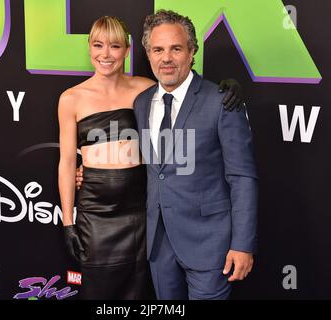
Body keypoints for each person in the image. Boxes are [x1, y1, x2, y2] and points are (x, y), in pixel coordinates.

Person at [60, 15, 244, 299]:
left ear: (128, 50)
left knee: (139, 292)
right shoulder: (72, 98)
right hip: (96, 213)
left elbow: (189, 95)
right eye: (98, 45)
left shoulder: (145, 89)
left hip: (139, 213)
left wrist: (228, 88)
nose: (106, 54)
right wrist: (68, 221)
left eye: (115, 46)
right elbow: (67, 162)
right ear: (88, 47)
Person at [133, 10, 259, 300]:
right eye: (158, 49)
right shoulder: (141, 103)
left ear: (191, 52)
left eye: (176, 49)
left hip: (210, 244)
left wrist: (242, 244)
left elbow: (242, 178)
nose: (166, 58)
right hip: (158, 245)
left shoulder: (221, 102)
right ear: (148, 54)